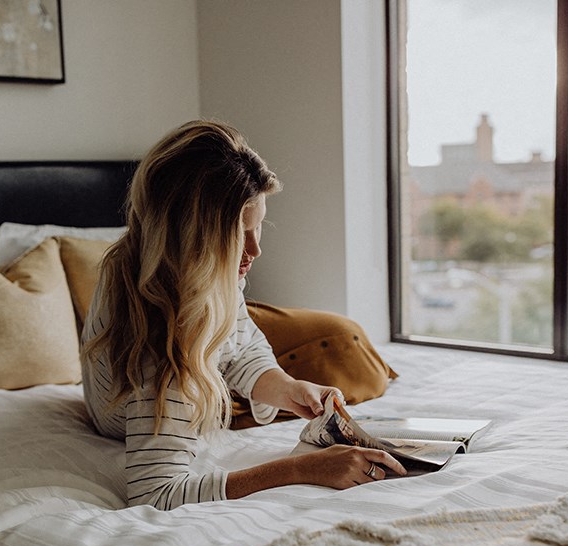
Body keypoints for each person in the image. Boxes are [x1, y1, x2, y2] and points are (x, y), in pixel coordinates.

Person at [81, 120, 405, 510]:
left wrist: (286, 387)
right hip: (140, 397)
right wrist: (303, 468)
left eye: (258, 227)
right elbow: (156, 493)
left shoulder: (192, 263)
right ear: (189, 235)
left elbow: (239, 341)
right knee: (338, 339)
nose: (255, 250)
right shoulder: (162, 326)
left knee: (339, 336)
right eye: (237, 233)